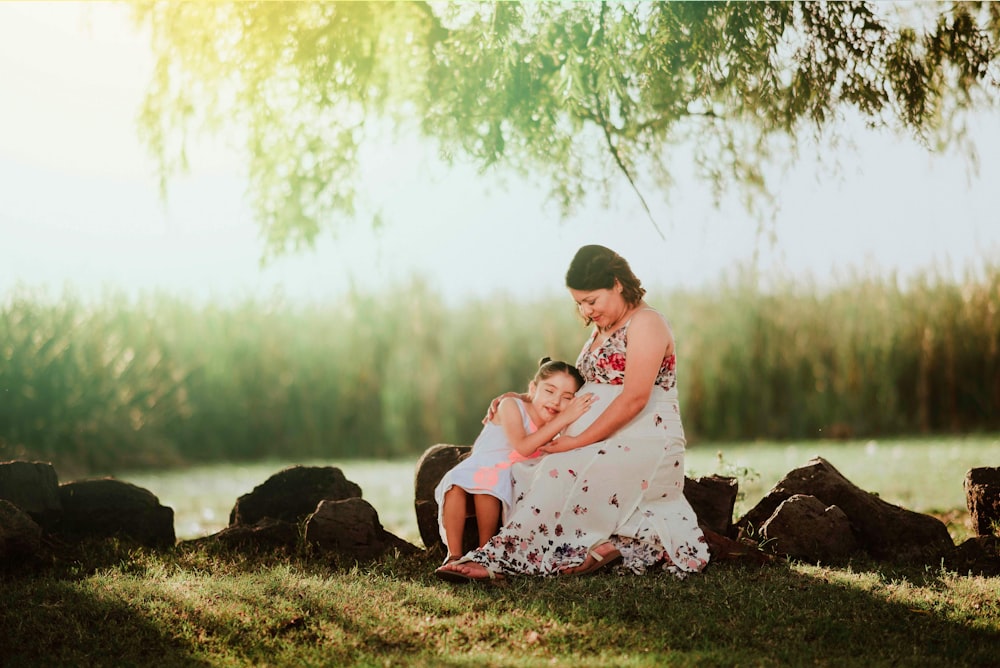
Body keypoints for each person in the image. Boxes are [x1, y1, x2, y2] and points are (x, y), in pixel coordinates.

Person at [436, 244, 710, 582]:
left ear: (616, 284)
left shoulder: (647, 323)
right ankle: (600, 546)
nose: (585, 311)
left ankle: (497, 559)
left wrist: (576, 441)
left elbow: (635, 398)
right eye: (579, 303)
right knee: (524, 472)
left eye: (591, 301)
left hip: (643, 437)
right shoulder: (602, 329)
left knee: (556, 470)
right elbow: (578, 387)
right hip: (598, 435)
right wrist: (524, 398)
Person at [434, 358, 593, 567]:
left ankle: (485, 551)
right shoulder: (511, 405)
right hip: (484, 463)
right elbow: (524, 446)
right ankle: (453, 554)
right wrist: (564, 418)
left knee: (490, 484)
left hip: (514, 473)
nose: (555, 401)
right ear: (532, 388)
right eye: (549, 391)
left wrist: (564, 421)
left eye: (566, 397)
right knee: (457, 483)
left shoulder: (558, 425)